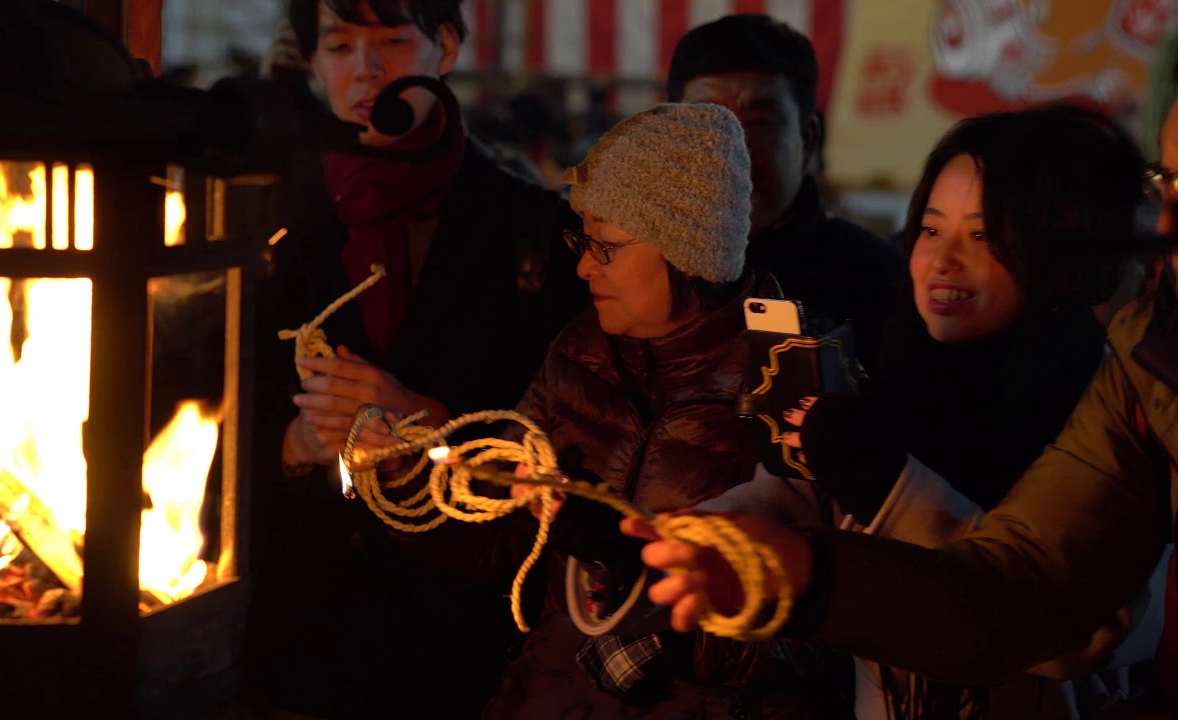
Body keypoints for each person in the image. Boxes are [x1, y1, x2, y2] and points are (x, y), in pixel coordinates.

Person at [623, 100, 1178, 717]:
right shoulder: (885, 369)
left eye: (984, 236)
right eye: (932, 230)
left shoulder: (1113, 394)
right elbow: (791, 499)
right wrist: (644, 540)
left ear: (1060, 260)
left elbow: (1073, 630)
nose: (942, 260)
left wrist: (890, 488)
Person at [247, 1, 587, 718]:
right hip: (292, 646)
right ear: (312, 63)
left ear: (448, 47)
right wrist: (294, 443)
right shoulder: (261, 219)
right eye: (340, 46)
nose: (366, 70)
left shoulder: (530, 229)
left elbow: (571, 454)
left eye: (393, 42)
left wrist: (429, 428)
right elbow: (191, 407)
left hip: (459, 655)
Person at [481, 102, 851, 720]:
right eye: (581, 238)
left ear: (688, 252)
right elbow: (503, 549)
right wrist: (419, 477)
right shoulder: (578, 351)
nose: (582, 265)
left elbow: (817, 635)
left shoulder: (794, 381)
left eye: (605, 245)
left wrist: (638, 579)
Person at [668, 13, 902, 369]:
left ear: (807, 140)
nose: (731, 148)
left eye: (760, 123)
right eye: (707, 121)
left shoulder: (875, 280)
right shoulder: (621, 266)